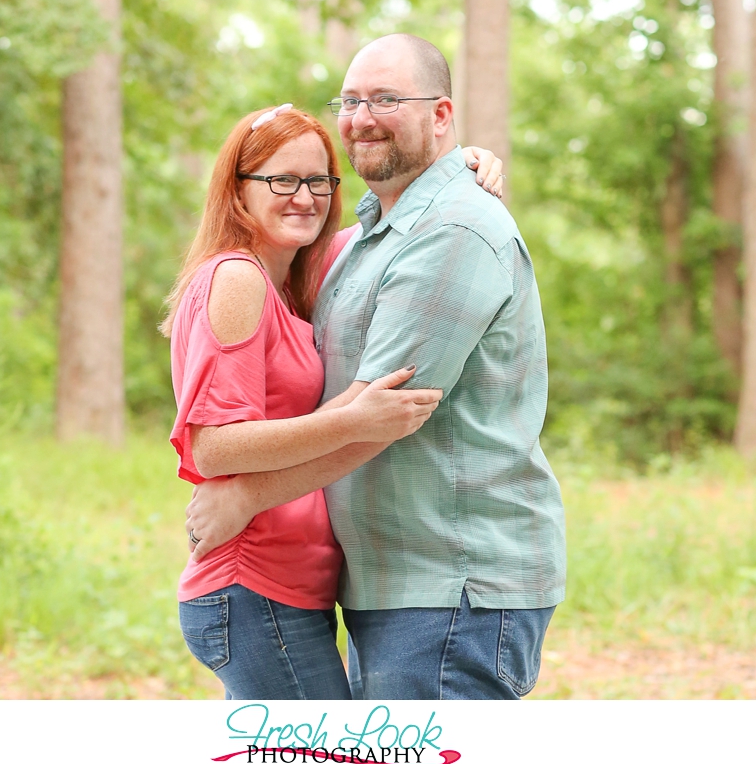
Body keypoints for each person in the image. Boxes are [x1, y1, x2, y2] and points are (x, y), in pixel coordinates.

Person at [185, 38, 565, 704]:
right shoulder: (363, 240)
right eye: (352, 99)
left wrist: (248, 495)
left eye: (387, 98)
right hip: (388, 584)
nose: (362, 115)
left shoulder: (451, 229)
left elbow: (376, 419)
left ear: (442, 115)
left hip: (451, 585)